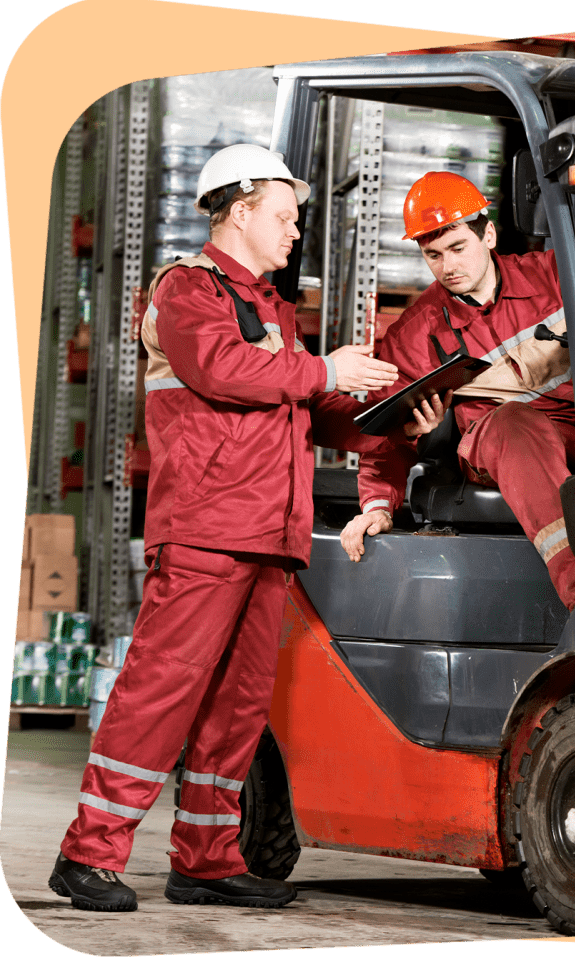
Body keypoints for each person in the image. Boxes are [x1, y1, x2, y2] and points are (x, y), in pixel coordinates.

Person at [48, 144, 441, 912]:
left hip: (270, 534)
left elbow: (306, 404)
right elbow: (223, 371)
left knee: (238, 704)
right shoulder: (186, 290)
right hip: (207, 525)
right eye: (285, 216)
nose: (295, 231)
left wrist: (390, 416)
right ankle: (86, 851)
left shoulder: (272, 310)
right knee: (158, 691)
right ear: (240, 209)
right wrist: (325, 370)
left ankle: (206, 857)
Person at [340, 172, 575, 609]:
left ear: (489, 235)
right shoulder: (416, 333)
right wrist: (378, 505)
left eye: (457, 248)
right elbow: (386, 435)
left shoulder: (550, 276)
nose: (449, 266)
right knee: (516, 423)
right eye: (433, 255)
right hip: (500, 443)